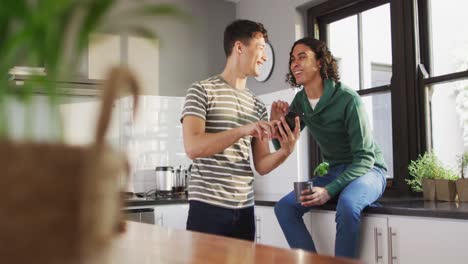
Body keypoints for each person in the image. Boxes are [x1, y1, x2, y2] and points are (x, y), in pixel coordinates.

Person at [180, 19, 300, 241]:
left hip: (244, 210)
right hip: (207, 209)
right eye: (261, 48)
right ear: (239, 48)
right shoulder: (201, 91)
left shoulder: (256, 105)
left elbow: (262, 164)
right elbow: (193, 147)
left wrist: (286, 150)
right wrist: (244, 130)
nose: (264, 57)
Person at [272, 37, 387, 258]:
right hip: (336, 171)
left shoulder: (347, 98)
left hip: (369, 170)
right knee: (284, 208)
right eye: (292, 59)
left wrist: (329, 190)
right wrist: (276, 124)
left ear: (320, 63)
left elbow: (364, 158)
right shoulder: (300, 103)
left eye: (302, 57)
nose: (294, 63)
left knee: (348, 204)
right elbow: (282, 145)